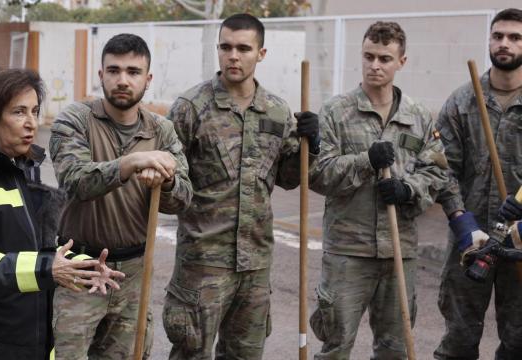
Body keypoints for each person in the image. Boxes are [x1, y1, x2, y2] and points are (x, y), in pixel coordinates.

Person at [0, 68, 124, 359]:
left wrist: (82, 266)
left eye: (35, 111)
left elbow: (31, 251)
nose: (31, 123)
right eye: (18, 112)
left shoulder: (17, 172)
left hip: (30, 338)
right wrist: (47, 269)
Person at [163, 13, 320, 359]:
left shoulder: (277, 112)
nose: (233, 56)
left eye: (243, 48)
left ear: (260, 54)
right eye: (226, 47)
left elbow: (289, 178)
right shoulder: (191, 108)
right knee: (191, 353)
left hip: (255, 265)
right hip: (202, 264)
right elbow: (169, 189)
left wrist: (312, 145)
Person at [308, 21, 448, 358]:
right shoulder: (336, 112)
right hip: (348, 251)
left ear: (402, 62)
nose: (375, 65)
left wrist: (407, 190)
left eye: (384, 58)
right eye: (369, 56)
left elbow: (437, 172)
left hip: (400, 249)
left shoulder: (418, 117)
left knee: (394, 347)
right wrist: (364, 161)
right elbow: (319, 175)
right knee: (336, 345)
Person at [50, 33, 192, 359]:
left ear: (148, 78)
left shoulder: (161, 131)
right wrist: (130, 163)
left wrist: (166, 182)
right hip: (79, 271)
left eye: (133, 71)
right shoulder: (75, 120)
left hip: (133, 275)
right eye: (113, 71)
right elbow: (75, 181)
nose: (122, 80)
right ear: (100, 75)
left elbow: (183, 198)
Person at [434, 8, 522, 359]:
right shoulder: (461, 101)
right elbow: (442, 167)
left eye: (515, 37)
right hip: (470, 243)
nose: (505, 43)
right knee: (458, 338)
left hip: (519, 244)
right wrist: (461, 220)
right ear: (489, 40)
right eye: (498, 35)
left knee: (519, 343)